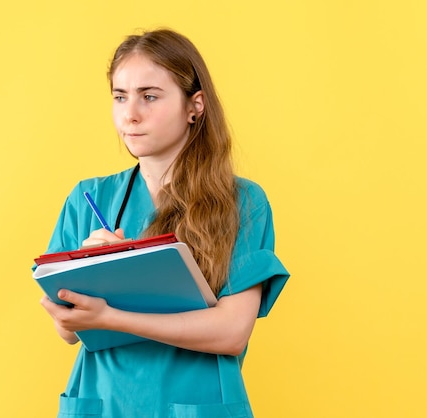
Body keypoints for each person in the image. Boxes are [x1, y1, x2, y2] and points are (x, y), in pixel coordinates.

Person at [39, 28, 289, 418]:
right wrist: (83, 277)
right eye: (120, 97)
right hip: (102, 402)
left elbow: (231, 332)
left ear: (196, 106)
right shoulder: (88, 200)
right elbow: (69, 333)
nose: (130, 114)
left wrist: (111, 317)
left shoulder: (243, 202)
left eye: (149, 96)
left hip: (197, 401)